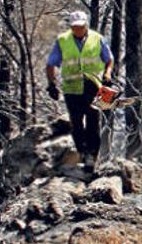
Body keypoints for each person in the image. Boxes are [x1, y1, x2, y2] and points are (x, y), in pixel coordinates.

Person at [45, 11, 114, 169]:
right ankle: (82, 152)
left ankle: (92, 156)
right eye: (75, 27)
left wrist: (108, 73)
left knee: (92, 121)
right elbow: (51, 64)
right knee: (76, 123)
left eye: (81, 26)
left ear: (86, 25)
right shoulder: (63, 41)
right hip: (72, 89)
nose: (78, 30)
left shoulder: (97, 39)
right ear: (71, 27)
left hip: (93, 87)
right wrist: (51, 84)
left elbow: (109, 59)